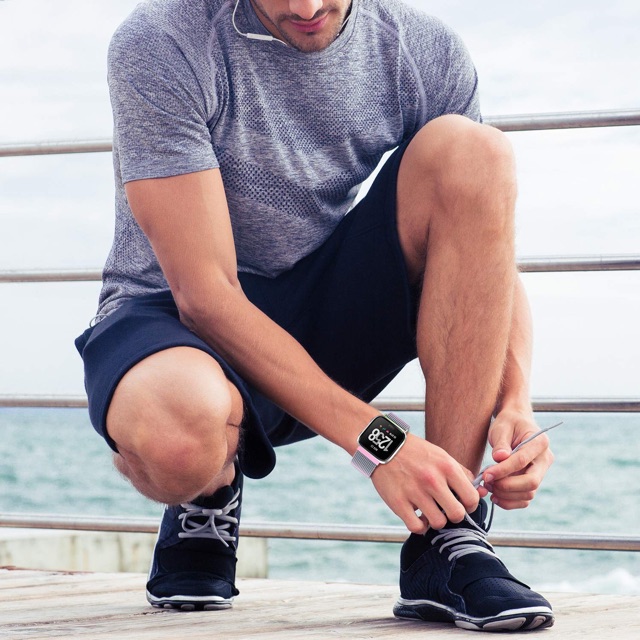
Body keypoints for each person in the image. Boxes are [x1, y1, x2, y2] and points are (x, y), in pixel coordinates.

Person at [75, 0, 555, 632]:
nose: (305, 7)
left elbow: (480, 242)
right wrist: (383, 446)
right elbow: (207, 297)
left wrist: (514, 402)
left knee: (476, 152)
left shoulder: (422, 50)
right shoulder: (163, 39)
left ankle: (449, 527)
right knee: (176, 438)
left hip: (326, 306)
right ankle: (210, 486)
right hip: (178, 314)